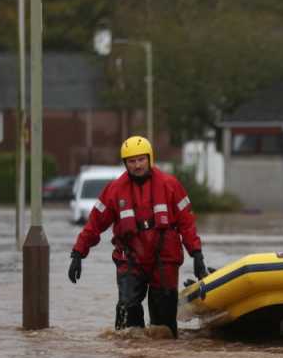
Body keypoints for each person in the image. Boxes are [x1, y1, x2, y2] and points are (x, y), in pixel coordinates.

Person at [67, 136, 208, 338]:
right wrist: (78, 254)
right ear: (125, 164)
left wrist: (197, 254)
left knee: (164, 322)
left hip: (164, 257)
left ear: (149, 159)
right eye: (132, 161)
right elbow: (94, 224)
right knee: (127, 310)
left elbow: (187, 223)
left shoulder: (170, 185)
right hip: (131, 257)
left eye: (141, 160)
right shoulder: (114, 190)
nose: (137, 165)